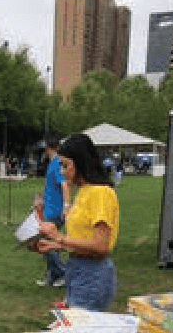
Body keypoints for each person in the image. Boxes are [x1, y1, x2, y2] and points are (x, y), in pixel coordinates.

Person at [35, 133, 119, 311]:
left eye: (65, 165)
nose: (62, 172)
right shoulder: (84, 191)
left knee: (81, 331)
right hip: (78, 269)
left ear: (80, 162)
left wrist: (59, 237)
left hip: (92, 273)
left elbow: (100, 245)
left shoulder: (100, 193)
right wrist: (54, 246)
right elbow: (83, 237)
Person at [37, 136, 70, 287]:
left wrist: (66, 206)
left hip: (54, 210)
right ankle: (52, 276)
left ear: (49, 148)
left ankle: (63, 273)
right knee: (47, 243)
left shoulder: (57, 163)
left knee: (49, 244)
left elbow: (64, 185)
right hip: (49, 208)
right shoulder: (52, 162)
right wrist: (42, 200)